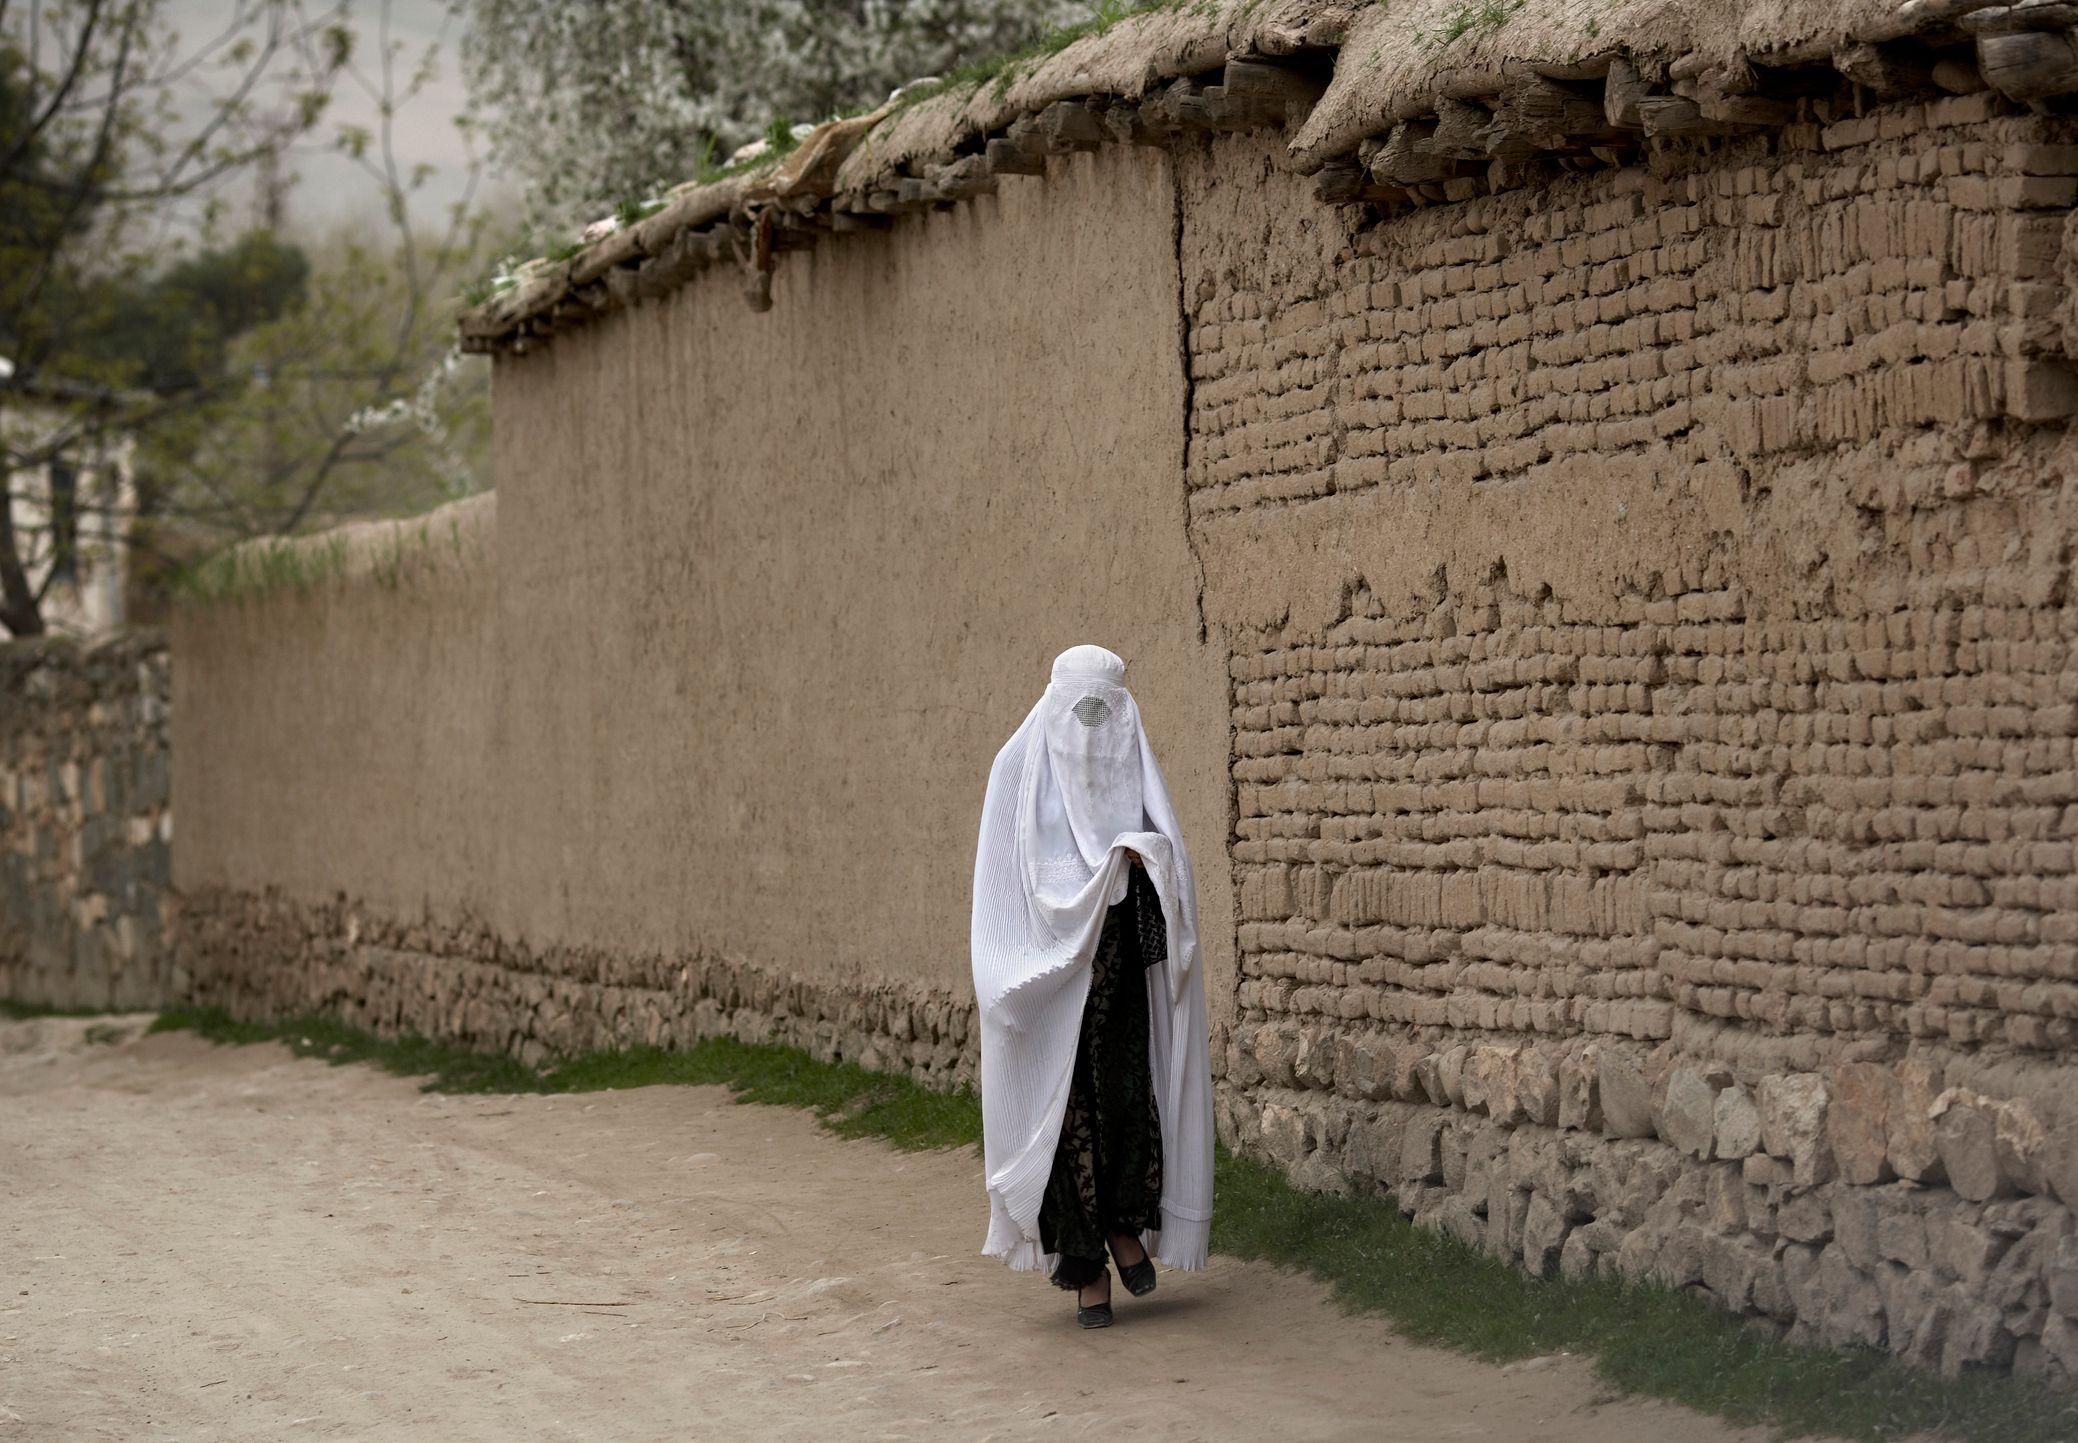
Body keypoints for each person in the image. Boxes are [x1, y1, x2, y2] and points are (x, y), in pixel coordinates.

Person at [969, 644, 1214, 1328]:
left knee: (1126, 1096)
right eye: (1080, 714)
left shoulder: (1131, 756)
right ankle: (1086, 1263)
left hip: (1119, 959)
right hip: (1044, 979)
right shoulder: (1016, 769)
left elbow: (1171, 859)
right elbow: (998, 892)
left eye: (1107, 716)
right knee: (1065, 1110)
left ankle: (1124, 1226)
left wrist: (1146, 858)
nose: (1093, 734)